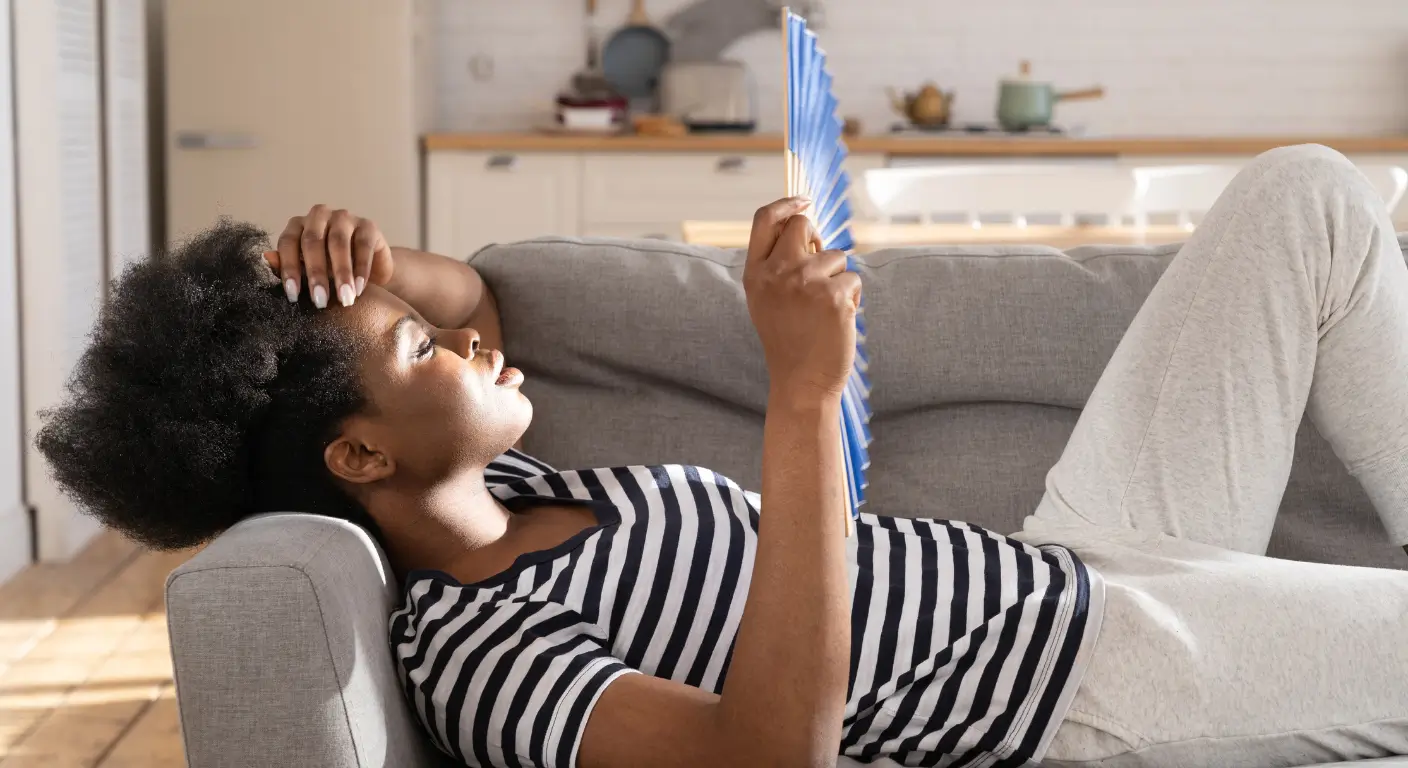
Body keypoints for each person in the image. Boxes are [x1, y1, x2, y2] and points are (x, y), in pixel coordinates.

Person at [37, 144, 1408, 768]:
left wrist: (379, 271)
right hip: (1077, 685)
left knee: (1307, 200)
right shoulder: (478, 658)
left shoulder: (509, 488)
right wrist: (804, 391)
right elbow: (764, 757)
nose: (457, 346)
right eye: (416, 357)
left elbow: (489, 316)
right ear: (355, 460)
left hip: (1063, 563)